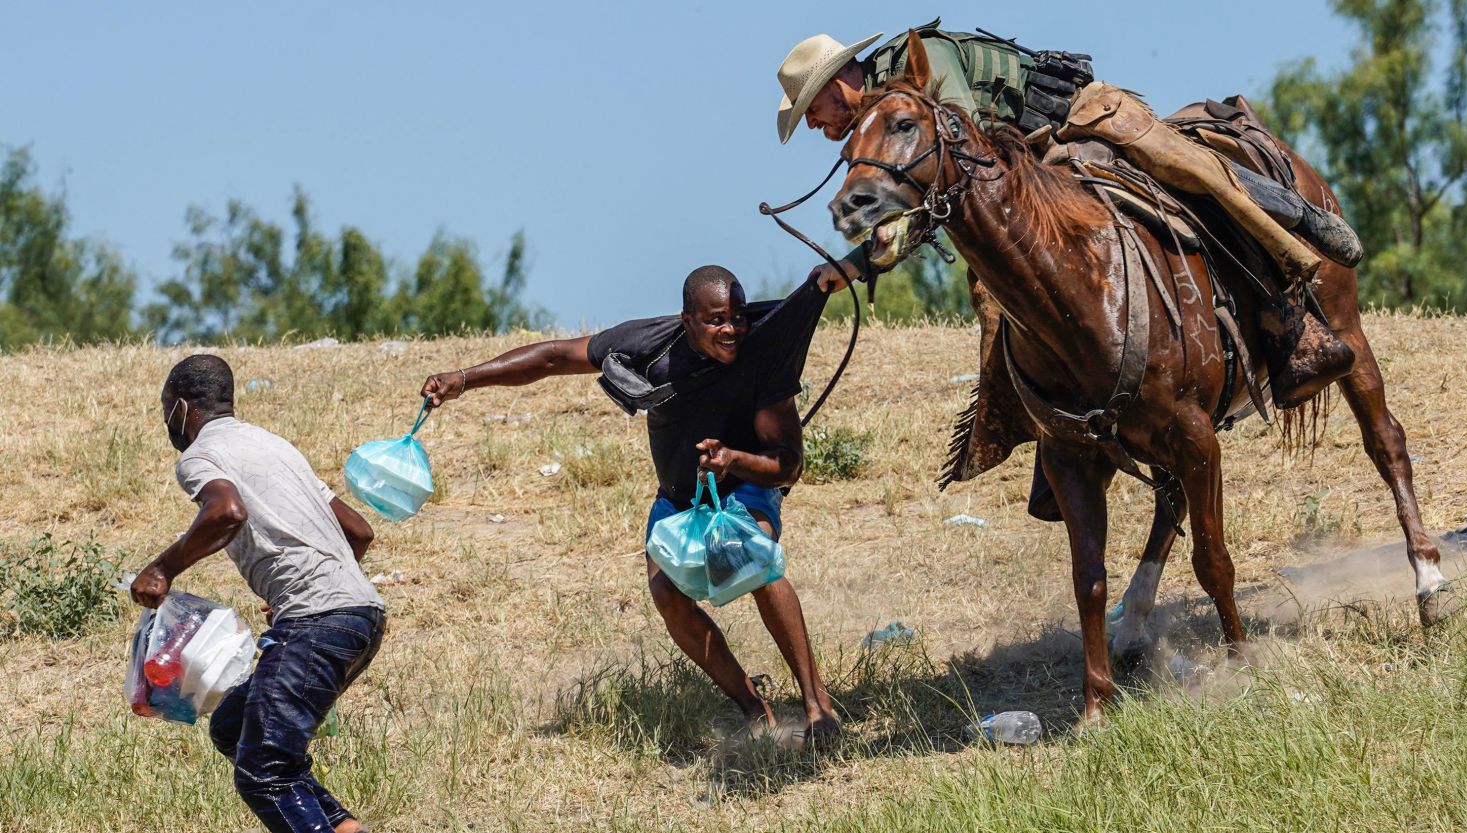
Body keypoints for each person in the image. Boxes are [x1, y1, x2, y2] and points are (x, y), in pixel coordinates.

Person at [777, 20, 1363, 407]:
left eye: (812, 105)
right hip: (1029, 171)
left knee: (1191, 178)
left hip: (1078, 123)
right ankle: (1045, 418)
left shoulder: (920, 66)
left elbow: (961, 156)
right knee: (998, 291)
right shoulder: (881, 123)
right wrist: (858, 260)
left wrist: (861, 259)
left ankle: (1292, 306)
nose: (811, 123)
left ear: (841, 81)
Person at [419, 266, 840, 740]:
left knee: (753, 558)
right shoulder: (648, 343)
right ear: (687, 320)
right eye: (717, 319)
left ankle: (816, 704)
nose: (732, 330)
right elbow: (555, 358)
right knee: (667, 596)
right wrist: (464, 379)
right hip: (679, 498)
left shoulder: (764, 354)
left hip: (743, 484)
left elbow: (788, 465)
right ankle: (752, 709)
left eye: (738, 317)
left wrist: (733, 459)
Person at [130, 354, 384, 833]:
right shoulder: (275, 445)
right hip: (361, 615)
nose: (167, 420)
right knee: (234, 726)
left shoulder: (200, 455)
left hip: (318, 619)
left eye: (166, 408)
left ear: (181, 407)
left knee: (264, 773)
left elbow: (226, 512)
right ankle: (344, 827)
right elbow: (360, 531)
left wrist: (162, 569)